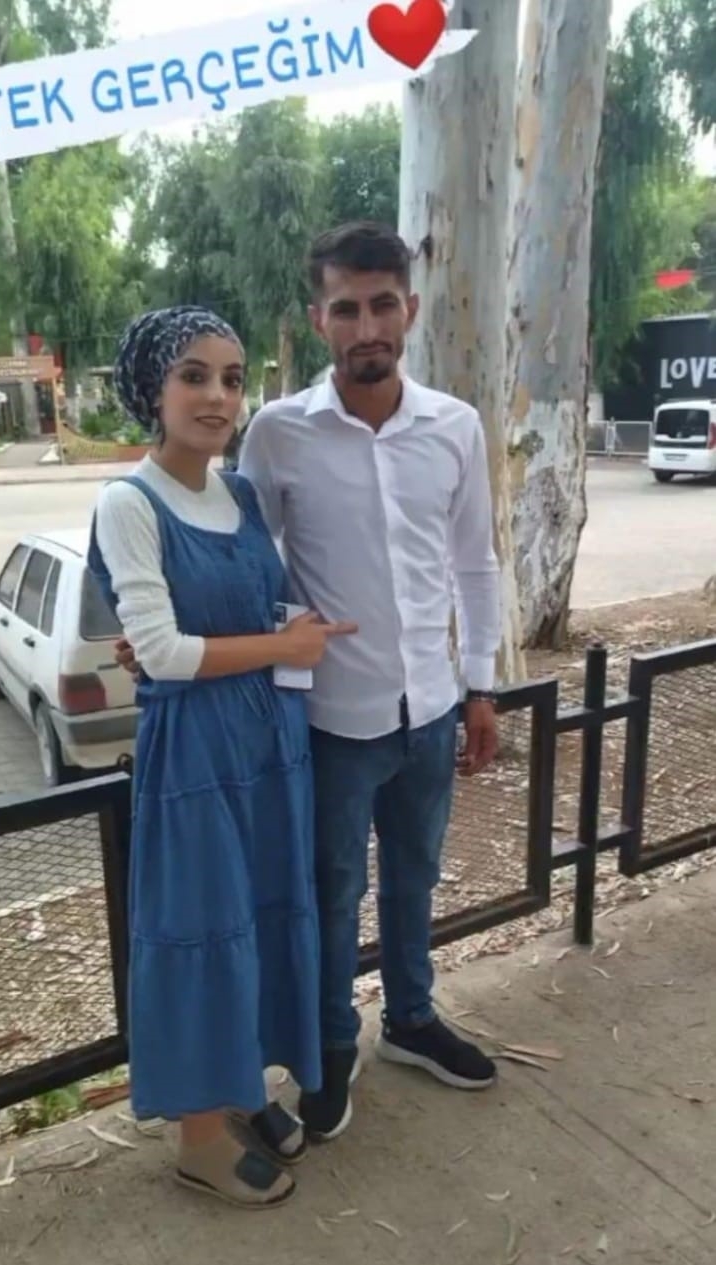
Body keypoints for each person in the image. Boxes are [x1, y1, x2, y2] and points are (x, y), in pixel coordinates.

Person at [117, 222, 502, 1143]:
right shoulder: (279, 433)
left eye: (382, 305)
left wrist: (480, 685)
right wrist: (162, 634)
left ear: (409, 309)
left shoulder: (454, 426)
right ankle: (330, 1047)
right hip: (327, 717)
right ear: (318, 318)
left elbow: (474, 563)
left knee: (414, 876)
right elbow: (245, 553)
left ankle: (410, 1017)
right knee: (330, 894)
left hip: (429, 705)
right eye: (346, 308)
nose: (366, 326)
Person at [90, 306, 357, 1209]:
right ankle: (198, 1139)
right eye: (193, 375)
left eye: (233, 379)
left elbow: (230, 611)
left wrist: (294, 629)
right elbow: (165, 652)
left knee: (260, 916)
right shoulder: (127, 503)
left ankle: (239, 1085)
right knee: (205, 928)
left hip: (268, 742)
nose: (217, 396)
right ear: (151, 389)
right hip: (197, 755)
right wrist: (282, 647)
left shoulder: (238, 492)